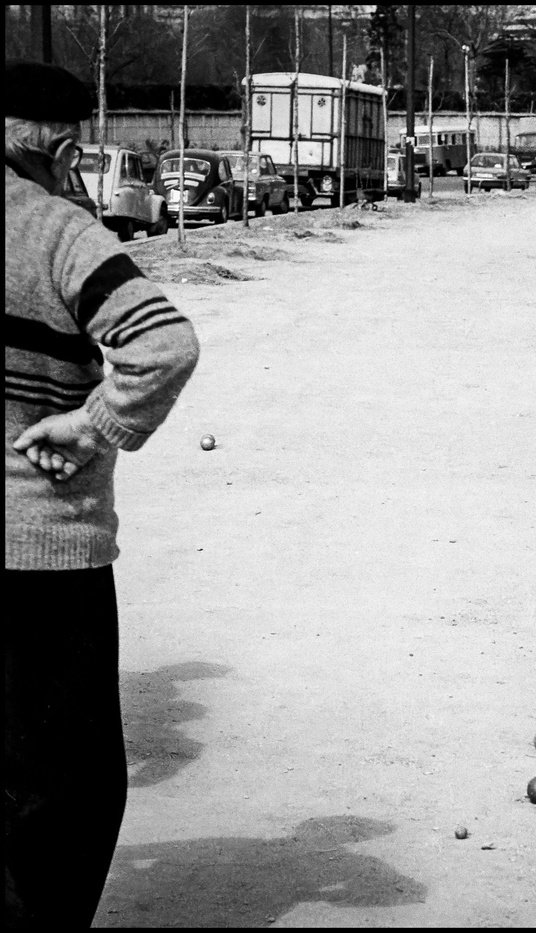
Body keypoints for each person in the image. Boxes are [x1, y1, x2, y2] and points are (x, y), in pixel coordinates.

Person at [5, 62, 200, 925]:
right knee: (66, 785)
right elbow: (163, 344)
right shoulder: (57, 229)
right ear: (62, 151)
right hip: (43, 549)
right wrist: (92, 426)